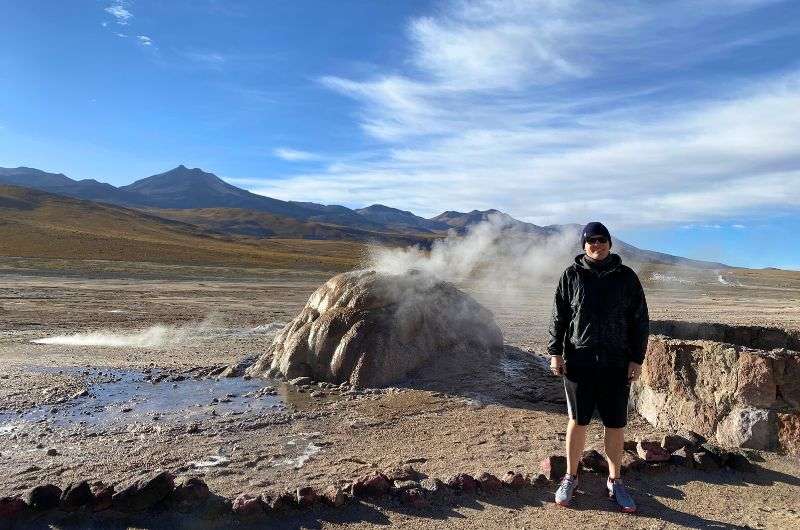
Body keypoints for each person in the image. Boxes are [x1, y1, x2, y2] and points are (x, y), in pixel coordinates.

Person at [547, 221, 649, 513]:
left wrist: (636, 358)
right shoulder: (571, 275)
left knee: (615, 423)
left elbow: (640, 320)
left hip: (616, 363)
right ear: (583, 245)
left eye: (602, 240)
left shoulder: (626, 277)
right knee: (578, 420)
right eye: (591, 241)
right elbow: (559, 317)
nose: (597, 245)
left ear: (610, 243)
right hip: (579, 361)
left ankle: (615, 480)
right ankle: (571, 476)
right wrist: (555, 352)